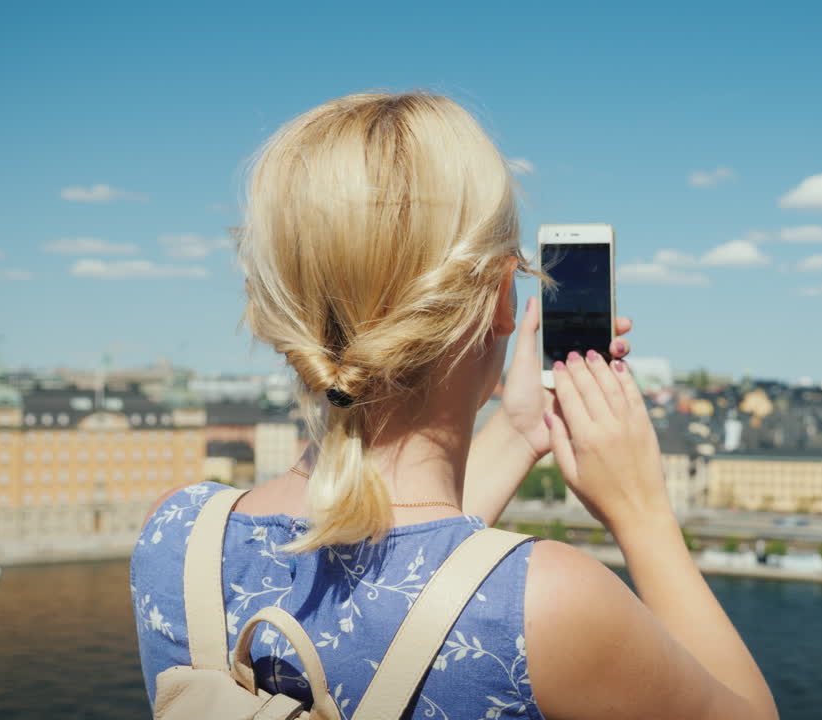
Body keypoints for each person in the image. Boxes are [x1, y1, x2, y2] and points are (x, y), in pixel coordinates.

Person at [130, 92, 778, 720]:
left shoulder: (176, 534)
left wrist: (522, 429)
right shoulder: (550, 606)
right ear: (500, 298)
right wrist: (643, 513)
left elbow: (413, 574)